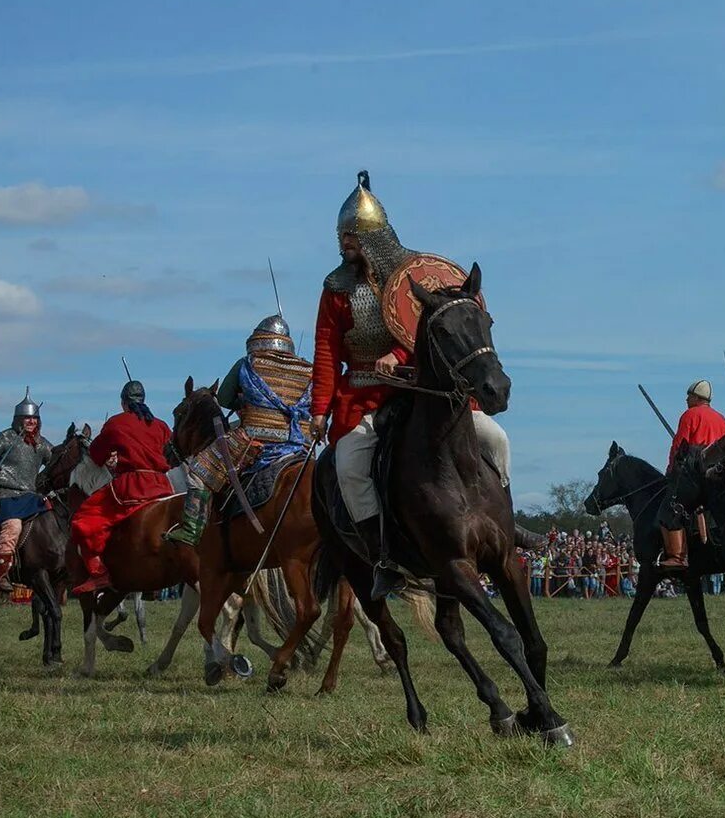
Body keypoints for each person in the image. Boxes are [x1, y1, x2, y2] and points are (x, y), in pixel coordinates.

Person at [309, 172, 510, 600]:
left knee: (496, 438)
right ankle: (382, 554)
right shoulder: (337, 290)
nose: (346, 241)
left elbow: (438, 332)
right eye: (342, 234)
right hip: (362, 396)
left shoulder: (418, 279)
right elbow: (326, 352)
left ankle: (504, 524)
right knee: (347, 466)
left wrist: (399, 356)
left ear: (376, 234)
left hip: (422, 390)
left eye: (354, 233)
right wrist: (317, 411)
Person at [167, 316, 314, 548]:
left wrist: (245, 403)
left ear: (258, 339)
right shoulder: (307, 368)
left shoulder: (248, 363)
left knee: (199, 471)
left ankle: (191, 530)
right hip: (301, 443)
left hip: (255, 439)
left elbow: (224, 399)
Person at [69, 379, 177, 593]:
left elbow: (97, 455)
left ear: (123, 403)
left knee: (84, 519)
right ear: (143, 400)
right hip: (164, 485)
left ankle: (99, 573)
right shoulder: (161, 425)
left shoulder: (116, 423)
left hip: (133, 486)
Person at [0, 394, 58, 587]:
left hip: (32, 496)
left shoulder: (42, 443)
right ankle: (1, 573)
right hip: (5, 494)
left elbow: (56, 462)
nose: (31, 421)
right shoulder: (4, 437)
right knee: (12, 526)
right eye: (27, 418)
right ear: (18, 420)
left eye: (34, 418)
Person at [655, 379, 725, 572]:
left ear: (697, 398)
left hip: (695, 476)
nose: (686, 399)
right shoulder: (722, 419)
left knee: (669, 507)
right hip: (720, 477)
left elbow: (679, 446)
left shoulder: (689, 415)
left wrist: (671, 470)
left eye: (689, 396)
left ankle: (677, 555)